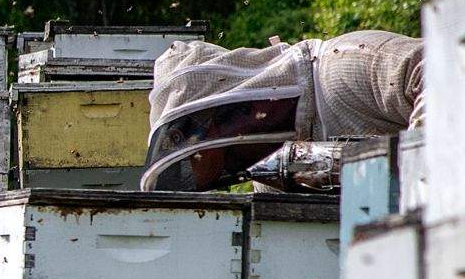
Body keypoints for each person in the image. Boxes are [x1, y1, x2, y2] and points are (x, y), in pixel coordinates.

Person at [143, 31, 424, 191]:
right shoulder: (269, 184)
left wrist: (419, 157)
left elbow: (441, 68)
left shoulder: (344, 65)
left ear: (211, 122)